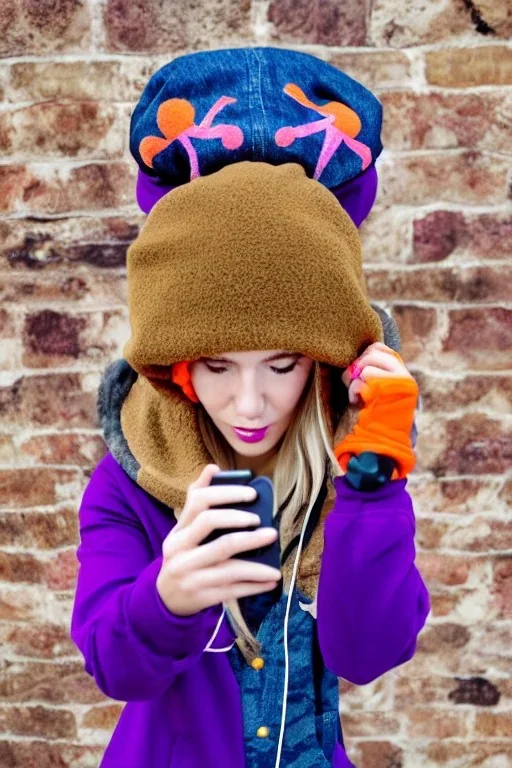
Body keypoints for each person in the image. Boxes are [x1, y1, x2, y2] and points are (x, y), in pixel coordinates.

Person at [70, 48, 430, 768]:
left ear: (325, 358)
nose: (250, 403)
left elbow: (369, 654)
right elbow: (116, 668)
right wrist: (167, 595)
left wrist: (372, 474)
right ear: (176, 366)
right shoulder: (130, 478)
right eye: (216, 364)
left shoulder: (348, 462)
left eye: (284, 363)